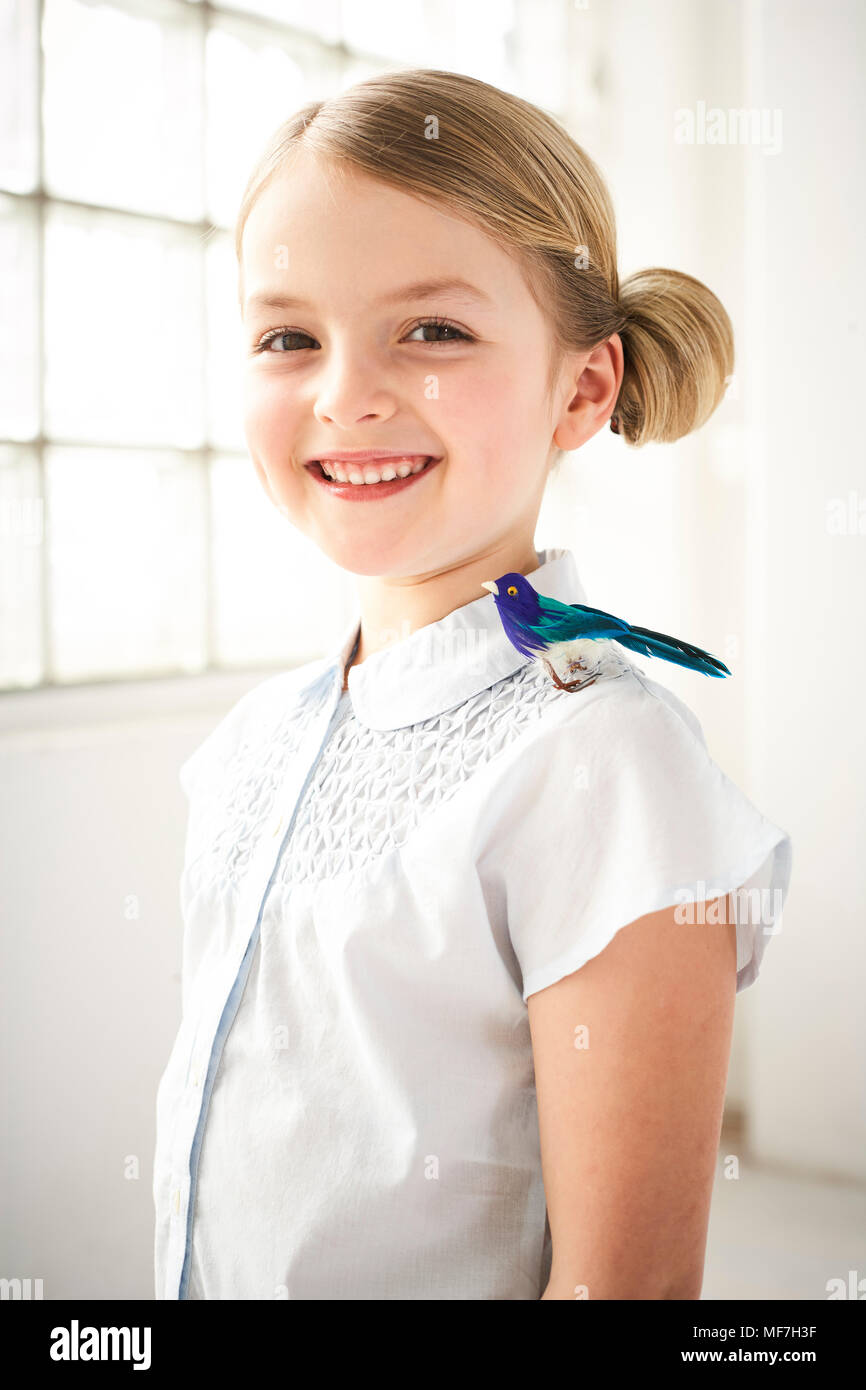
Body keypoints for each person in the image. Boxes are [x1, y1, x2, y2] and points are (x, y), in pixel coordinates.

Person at [152, 68, 792, 1301]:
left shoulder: (605, 763)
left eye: (432, 330)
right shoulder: (245, 748)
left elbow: (627, 1291)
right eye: (290, 335)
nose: (346, 394)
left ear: (583, 385)